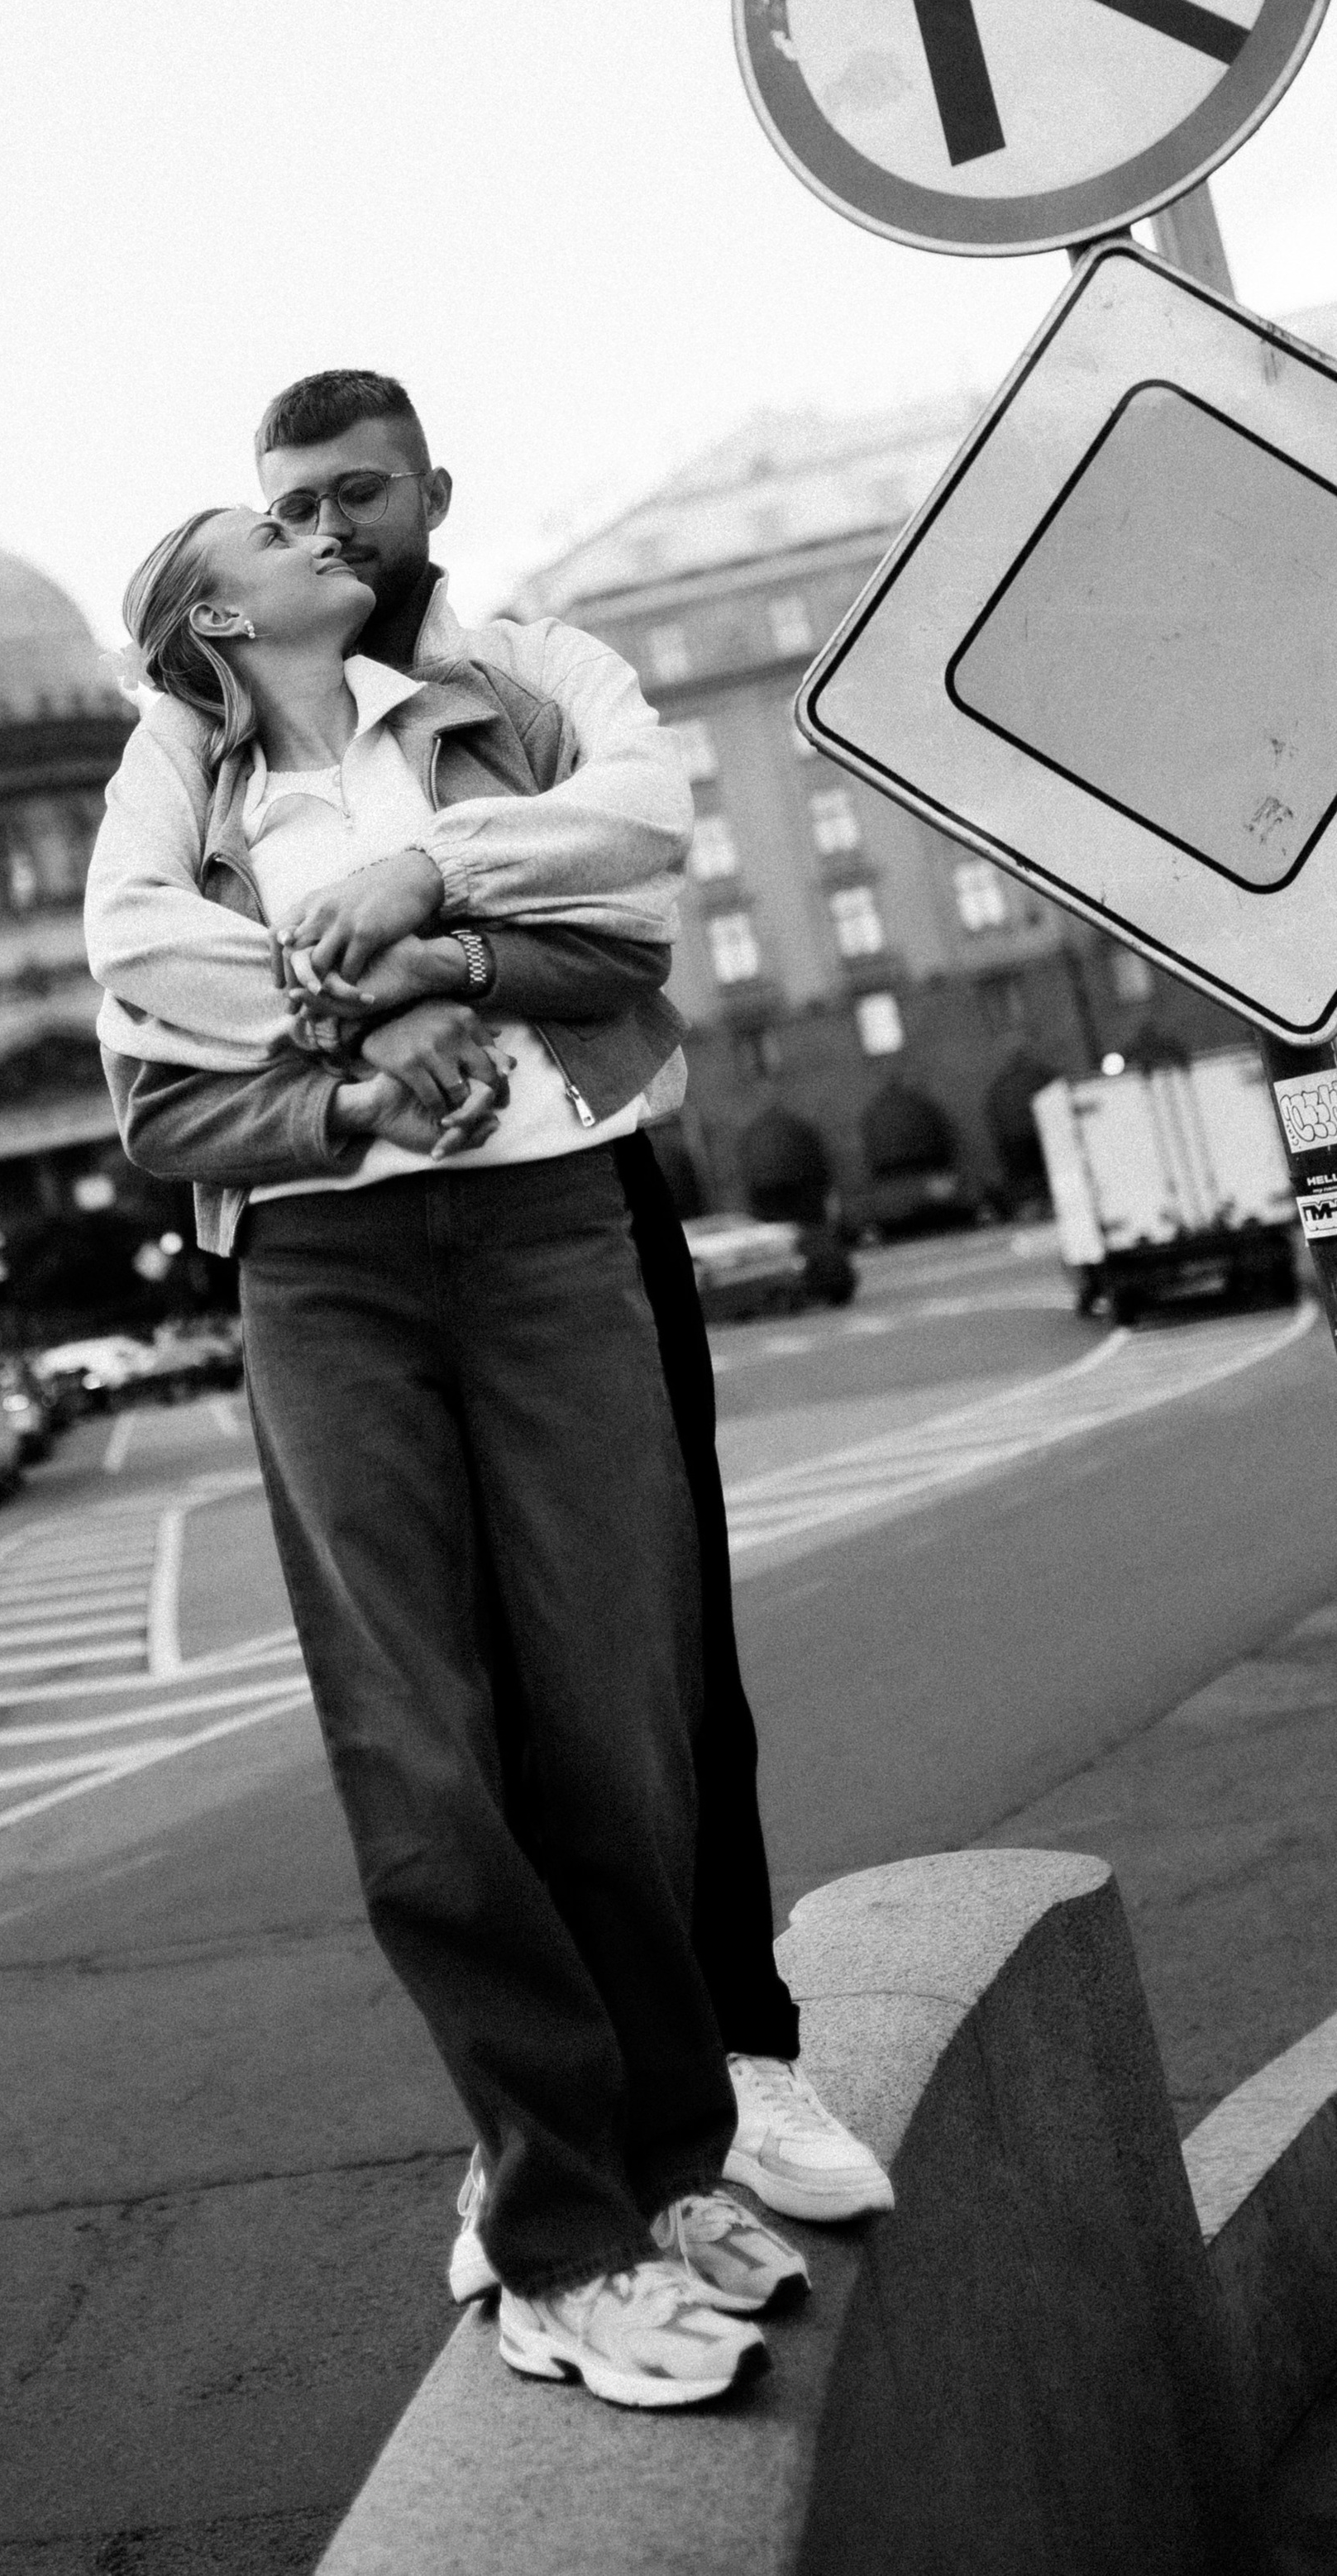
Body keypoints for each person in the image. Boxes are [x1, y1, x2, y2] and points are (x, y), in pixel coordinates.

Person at [88, 370, 890, 2243]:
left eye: (357, 494)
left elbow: (634, 873)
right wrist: (369, 1013)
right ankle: (542, 2132)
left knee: (647, 1653)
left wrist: (432, 901)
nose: (330, 529)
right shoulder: (188, 748)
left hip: (565, 1186)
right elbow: (146, 988)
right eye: (288, 504)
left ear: (431, 485)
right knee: (433, 1716)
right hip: (334, 1221)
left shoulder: (523, 676)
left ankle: (730, 2057)